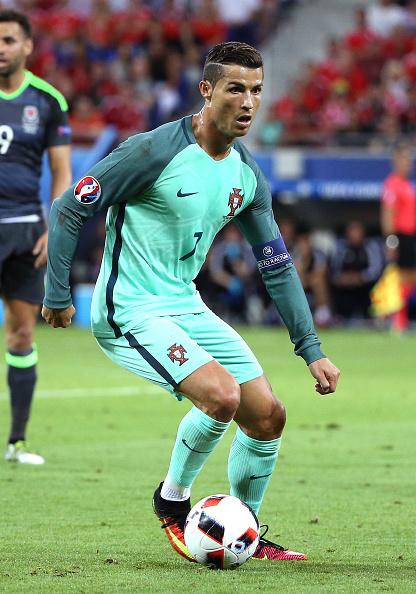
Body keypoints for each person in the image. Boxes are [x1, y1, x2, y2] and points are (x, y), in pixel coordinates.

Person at [42, 42, 340, 562]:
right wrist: (58, 292)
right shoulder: (152, 152)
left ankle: (245, 532)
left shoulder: (245, 172)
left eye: (256, 90)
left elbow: (276, 263)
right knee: (221, 397)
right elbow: (69, 208)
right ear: (206, 90)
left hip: (185, 305)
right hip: (130, 309)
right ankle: (172, 501)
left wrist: (310, 348)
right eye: (235, 89)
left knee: (268, 416)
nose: (248, 102)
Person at [0, 10, 72, 464]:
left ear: (27, 45)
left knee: (23, 334)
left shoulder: (47, 100)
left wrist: (56, 227)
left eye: (8, 40)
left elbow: (62, 171)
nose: (0, 48)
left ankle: (16, 443)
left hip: (25, 230)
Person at [380, 144, 416, 331]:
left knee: (409, 279)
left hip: (411, 236)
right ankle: (396, 320)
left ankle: (396, 318)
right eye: (404, 160)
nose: (408, 164)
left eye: (409, 160)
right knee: (403, 278)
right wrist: (391, 240)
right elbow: (388, 213)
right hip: (401, 236)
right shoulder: (392, 184)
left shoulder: (408, 185)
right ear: (396, 161)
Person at [330, 221, 384, 323]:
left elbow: (376, 269)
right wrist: (343, 278)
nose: (355, 235)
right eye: (352, 231)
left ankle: (374, 317)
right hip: (345, 285)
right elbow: (334, 269)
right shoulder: (341, 247)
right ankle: (336, 317)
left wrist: (361, 277)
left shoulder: (371, 246)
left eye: (357, 231)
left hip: (366, 285)